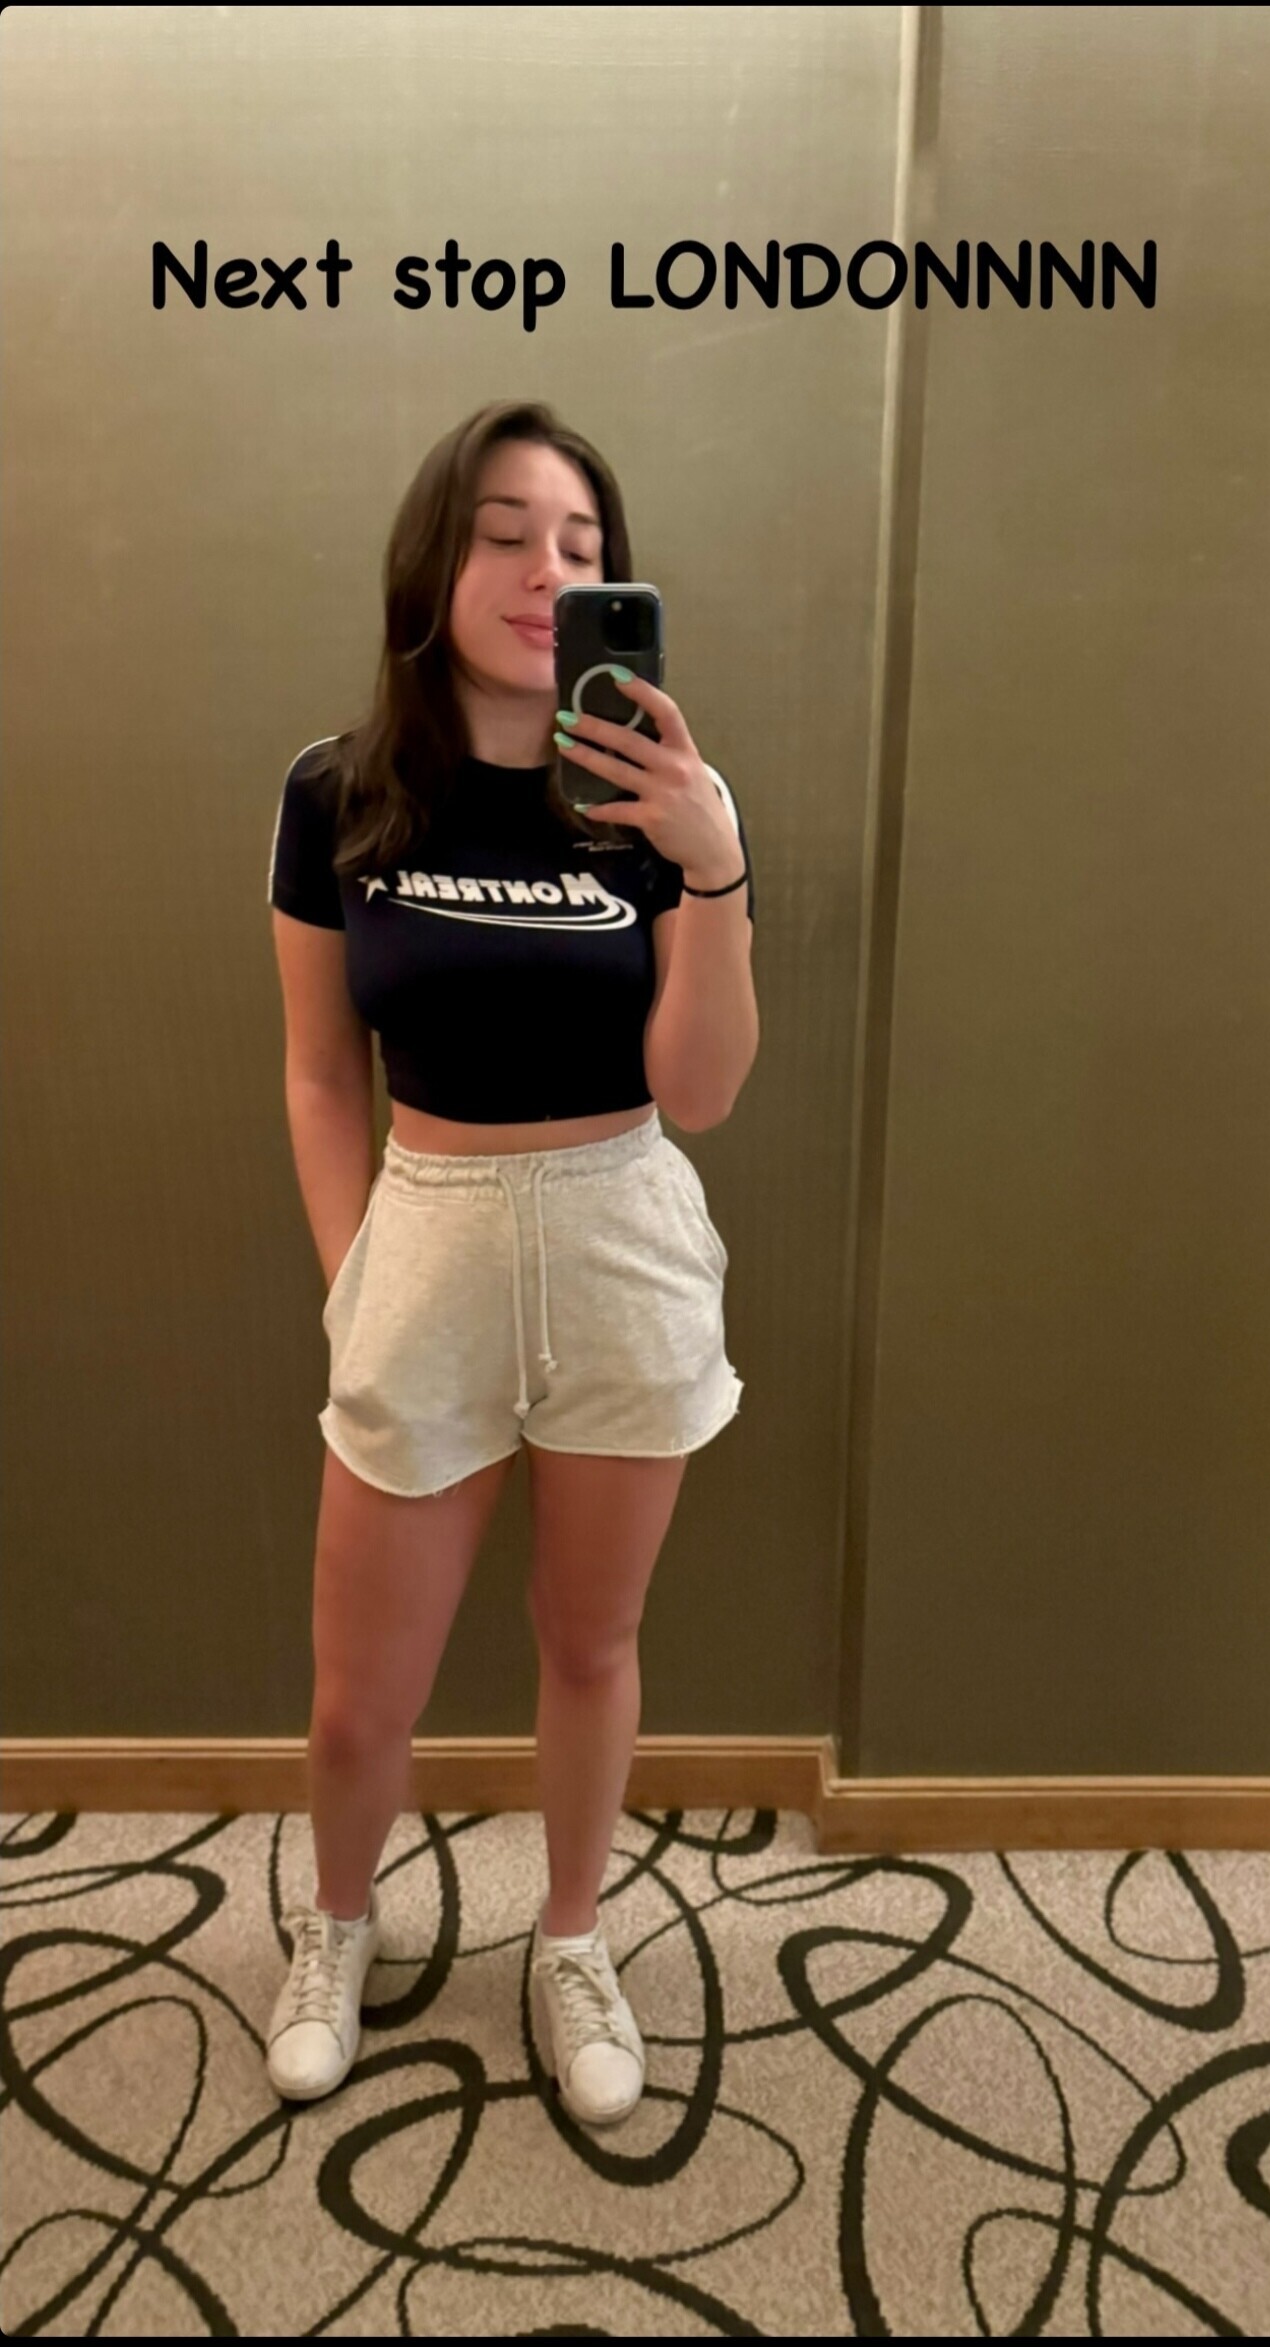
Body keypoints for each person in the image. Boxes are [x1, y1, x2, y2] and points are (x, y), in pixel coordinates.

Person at [263, 399, 758, 2128]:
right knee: (359, 1698)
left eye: (581, 544)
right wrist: (355, 1281)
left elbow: (702, 1089)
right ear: (434, 560)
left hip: (622, 1234)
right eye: (503, 533)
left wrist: (714, 865)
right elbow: (320, 1073)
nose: (547, 569)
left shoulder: (659, 797)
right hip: (427, 1238)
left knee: (588, 1642)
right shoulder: (335, 791)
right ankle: (334, 1925)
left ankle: (569, 1938)